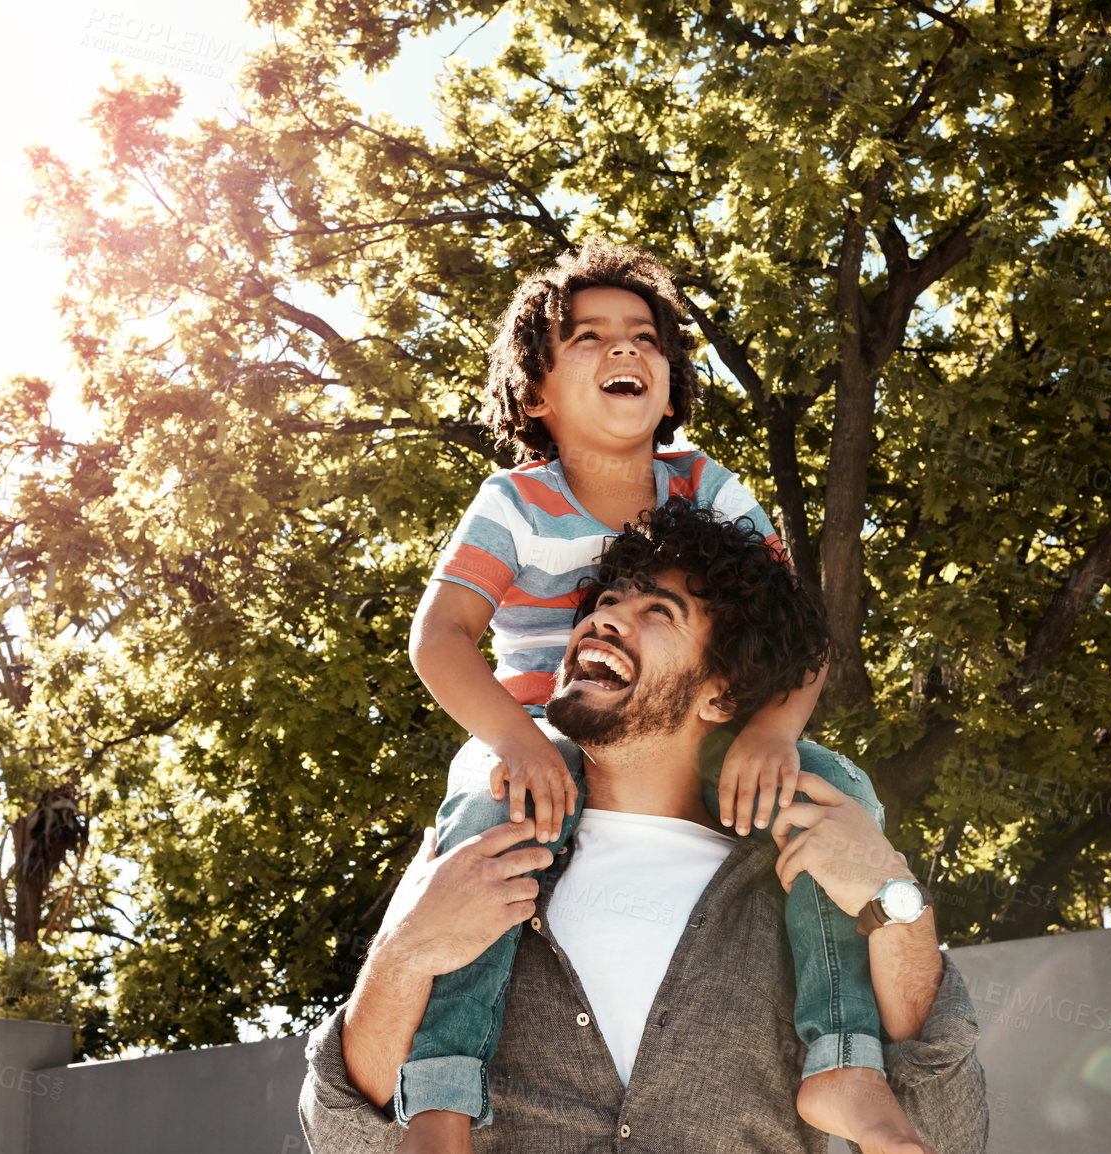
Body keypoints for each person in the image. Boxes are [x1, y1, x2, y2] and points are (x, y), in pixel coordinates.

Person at [402, 239, 923, 1149]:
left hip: (690, 721)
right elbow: (438, 638)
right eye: (589, 337)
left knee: (833, 791)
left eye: (644, 337)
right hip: (534, 725)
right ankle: (443, 1091)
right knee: (481, 835)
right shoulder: (516, 499)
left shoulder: (706, 486)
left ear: (673, 385)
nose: (623, 351)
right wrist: (515, 744)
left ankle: (842, 1057)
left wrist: (773, 733)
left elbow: (800, 636)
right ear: (537, 394)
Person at [300, 499, 988, 1153]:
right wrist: (404, 952)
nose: (605, 620)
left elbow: (948, 1136)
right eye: (604, 603)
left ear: (722, 693)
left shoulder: (802, 865)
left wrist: (899, 905)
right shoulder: (477, 847)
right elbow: (342, 1137)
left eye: (658, 610)